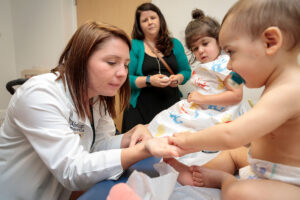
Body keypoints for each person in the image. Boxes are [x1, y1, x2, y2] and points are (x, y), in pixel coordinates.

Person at [0, 21, 179, 200]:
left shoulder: (97, 97)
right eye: (111, 62)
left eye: (125, 65)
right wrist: (142, 151)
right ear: (80, 59)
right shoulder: (40, 94)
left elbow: (98, 146)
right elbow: (72, 170)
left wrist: (128, 137)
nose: (123, 73)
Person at [155, 0, 300, 199]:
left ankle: (226, 180)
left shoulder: (290, 89)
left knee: (241, 192)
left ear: (270, 42)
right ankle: (197, 172)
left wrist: (188, 140)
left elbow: (231, 133)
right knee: (232, 153)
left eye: (231, 52)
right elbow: (251, 137)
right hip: (264, 167)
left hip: (291, 183)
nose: (229, 66)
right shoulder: (277, 84)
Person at [147, 9, 249, 144]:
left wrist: (203, 98)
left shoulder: (227, 64)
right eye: (195, 48)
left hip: (222, 115)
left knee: (173, 128)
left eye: (205, 43)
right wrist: (196, 97)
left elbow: (237, 95)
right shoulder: (205, 66)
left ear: (219, 41)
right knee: (164, 118)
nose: (200, 50)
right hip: (203, 109)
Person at [121, 2, 191, 133]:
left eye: (153, 18)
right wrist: (149, 80)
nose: (150, 22)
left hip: (171, 107)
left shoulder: (175, 43)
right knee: (138, 150)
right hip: (141, 109)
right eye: (144, 20)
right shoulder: (134, 45)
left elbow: (186, 71)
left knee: (172, 149)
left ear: (160, 19)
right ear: (139, 25)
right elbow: (125, 79)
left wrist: (178, 79)